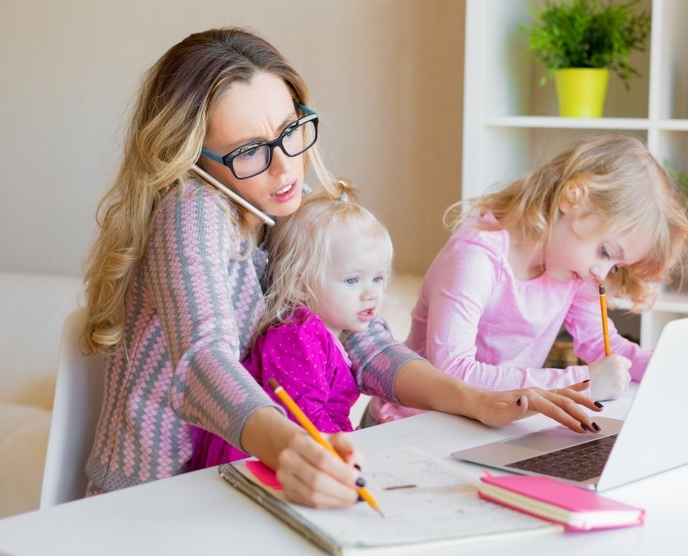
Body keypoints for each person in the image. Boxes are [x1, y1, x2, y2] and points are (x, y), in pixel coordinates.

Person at [80, 26, 598, 509]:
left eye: (290, 131)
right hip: (153, 499)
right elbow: (202, 359)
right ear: (193, 159)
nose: (285, 166)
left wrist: (476, 399)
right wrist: (290, 448)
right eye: (249, 152)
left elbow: (362, 340)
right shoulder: (191, 210)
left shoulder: (283, 204)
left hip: (230, 482)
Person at [370, 135, 688, 424]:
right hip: (413, 423)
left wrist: (668, 366)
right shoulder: (477, 256)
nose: (602, 273)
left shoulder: (573, 270)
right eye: (606, 251)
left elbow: (603, 345)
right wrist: (579, 383)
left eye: (616, 266)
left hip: (491, 423)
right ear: (572, 199)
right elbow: (451, 373)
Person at [189, 180, 392, 469]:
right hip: (249, 461)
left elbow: (328, 416)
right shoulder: (298, 335)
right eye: (352, 280)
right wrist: (353, 446)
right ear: (301, 285)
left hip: (300, 451)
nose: (371, 293)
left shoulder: (330, 335)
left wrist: (358, 439)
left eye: (378, 278)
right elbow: (305, 418)